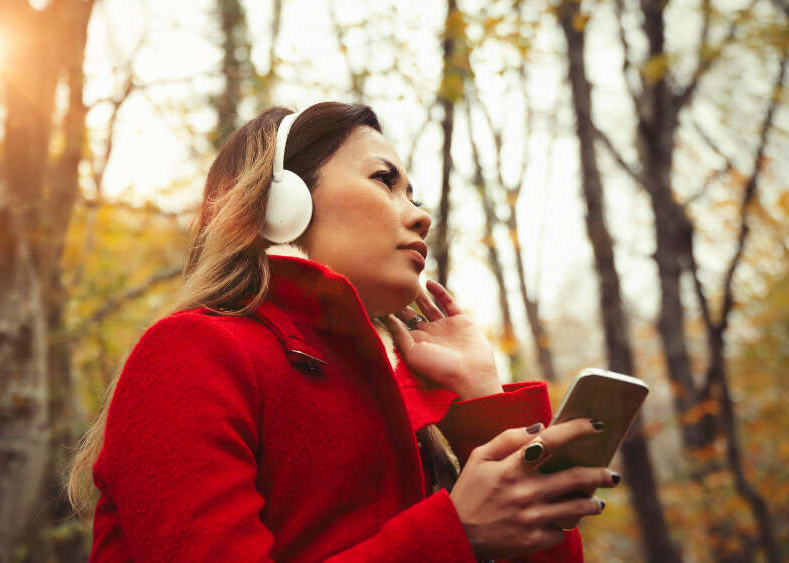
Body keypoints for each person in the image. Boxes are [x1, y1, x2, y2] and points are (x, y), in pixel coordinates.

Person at [66, 102, 620, 562]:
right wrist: (456, 532)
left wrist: (480, 397)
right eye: (385, 180)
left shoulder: (397, 401)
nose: (421, 216)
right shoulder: (194, 352)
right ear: (284, 203)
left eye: (416, 196)